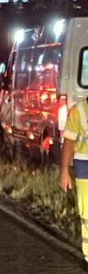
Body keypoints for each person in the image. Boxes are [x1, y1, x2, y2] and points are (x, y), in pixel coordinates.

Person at [60, 97, 88, 262]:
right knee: (87, 215)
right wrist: (64, 171)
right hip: (85, 168)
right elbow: (69, 142)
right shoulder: (79, 110)